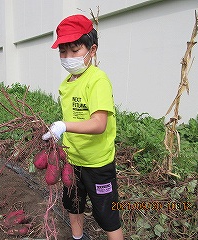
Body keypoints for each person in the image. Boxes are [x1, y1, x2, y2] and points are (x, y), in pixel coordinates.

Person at [42, 14, 124, 240]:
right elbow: (74, 120)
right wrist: (59, 135)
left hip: (97, 164)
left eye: (75, 50)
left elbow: (99, 124)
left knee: (108, 215)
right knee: (73, 205)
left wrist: (64, 125)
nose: (68, 57)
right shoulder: (67, 82)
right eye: (62, 52)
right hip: (72, 160)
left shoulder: (97, 80)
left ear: (92, 50)